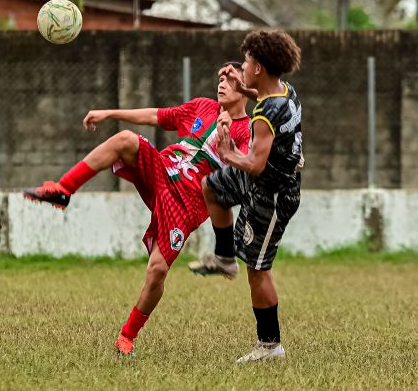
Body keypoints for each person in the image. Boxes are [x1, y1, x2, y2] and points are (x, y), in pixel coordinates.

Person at [23, 62, 251, 356]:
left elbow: (242, 170)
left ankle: (127, 336)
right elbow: (154, 116)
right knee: (126, 139)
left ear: (245, 88)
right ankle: (63, 190)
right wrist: (109, 113)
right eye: (220, 77)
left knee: (157, 271)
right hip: (164, 171)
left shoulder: (247, 129)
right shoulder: (201, 107)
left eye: (230, 80)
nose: (222, 83)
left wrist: (227, 142)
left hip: (188, 203)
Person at [189, 30, 303, 363]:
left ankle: (270, 346)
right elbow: (264, 98)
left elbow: (254, 163)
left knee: (258, 267)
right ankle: (224, 257)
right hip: (265, 179)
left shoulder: (264, 116)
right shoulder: (285, 91)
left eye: (247, 60)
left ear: (259, 67)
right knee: (212, 186)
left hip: (274, 193)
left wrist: (227, 152)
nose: (243, 64)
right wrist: (243, 90)